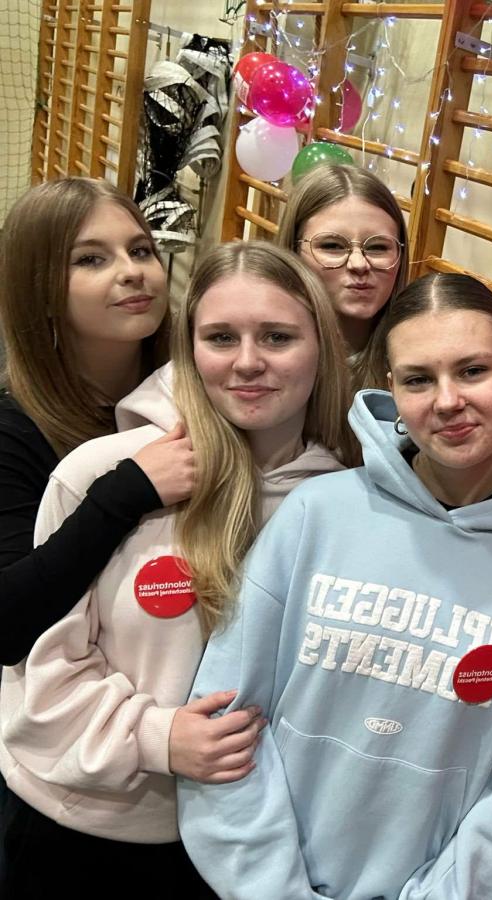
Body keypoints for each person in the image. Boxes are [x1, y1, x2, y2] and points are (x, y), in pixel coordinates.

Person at [178, 272, 492, 900]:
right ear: (391, 389)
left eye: (473, 370)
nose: (447, 401)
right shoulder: (316, 514)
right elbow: (225, 720)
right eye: (418, 379)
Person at [0, 241, 354, 898]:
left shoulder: (345, 505)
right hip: (86, 832)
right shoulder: (100, 475)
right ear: (189, 351)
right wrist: (158, 736)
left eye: (277, 337)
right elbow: (40, 680)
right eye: (220, 338)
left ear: (321, 350)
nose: (247, 362)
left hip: (254, 846)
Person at [0, 177, 193, 666]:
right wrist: (128, 491)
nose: (132, 272)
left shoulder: (202, 388)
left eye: (141, 251)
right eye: (91, 259)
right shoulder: (12, 430)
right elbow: (7, 626)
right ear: (40, 289)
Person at [276, 163, 410, 390]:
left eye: (377, 247)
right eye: (332, 246)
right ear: (293, 250)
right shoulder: (261, 357)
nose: (359, 264)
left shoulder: (418, 357)